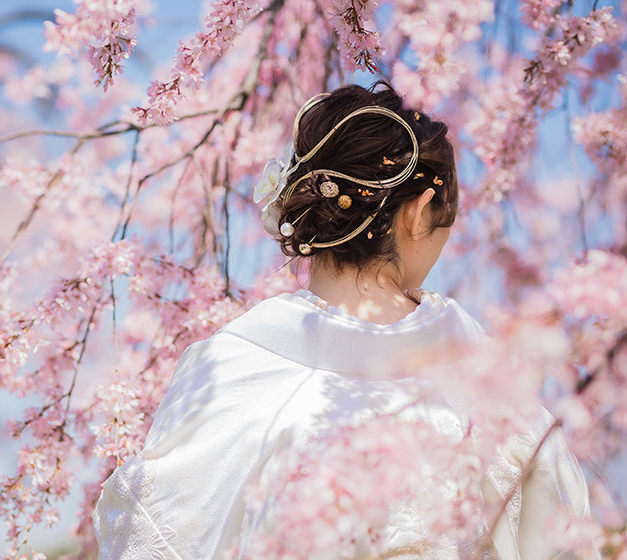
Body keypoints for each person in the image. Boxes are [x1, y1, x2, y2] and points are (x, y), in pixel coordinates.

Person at [92, 83, 594, 559]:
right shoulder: (485, 391)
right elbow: (559, 527)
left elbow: (151, 529)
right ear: (420, 214)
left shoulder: (227, 365)